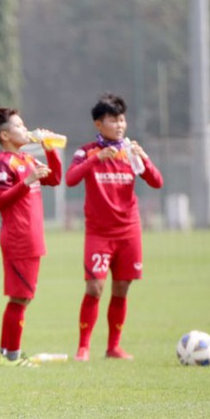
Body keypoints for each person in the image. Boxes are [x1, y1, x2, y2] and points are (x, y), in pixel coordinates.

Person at [65, 92, 164, 362]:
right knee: (94, 288)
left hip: (129, 231)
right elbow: (71, 179)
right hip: (99, 233)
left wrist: (144, 158)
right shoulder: (86, 152)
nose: (119, 125)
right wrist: (96, 159)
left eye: (122, 120)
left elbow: (157, 182)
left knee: (122, 288)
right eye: (113, 120)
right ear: (99, 124)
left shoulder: (130, 152)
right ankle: (83, 347)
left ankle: (113, 347)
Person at [0, 107, 63, 367]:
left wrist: (49, 149)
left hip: (32, 238)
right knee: (20, 297)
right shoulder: (2, 163)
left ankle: (6, 353)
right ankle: (11, 356)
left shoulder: (28, 159)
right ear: (5, 135)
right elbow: (1, 201)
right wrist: (27, 181)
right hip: (18, 238)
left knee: (24, 297)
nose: (25, 129)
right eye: (19, 126)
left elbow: (55, 179)